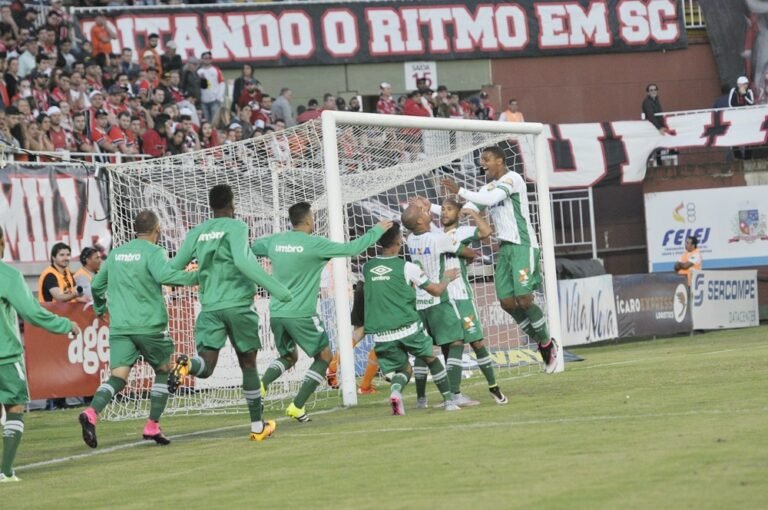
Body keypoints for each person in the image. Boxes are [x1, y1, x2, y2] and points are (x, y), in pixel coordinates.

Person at [167, 184, 292, 441]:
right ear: (232, 203)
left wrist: (196, 279)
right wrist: (278, 290)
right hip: (238, 305)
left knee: (206, 366)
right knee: (248, 365)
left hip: (210, 308)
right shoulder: (237, 227)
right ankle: (257, 427)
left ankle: (187, 364)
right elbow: (243, 261)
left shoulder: (197, 232)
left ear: (210, 205)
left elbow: (172, 269)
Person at [251, 202, 392, 422]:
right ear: (308, 220)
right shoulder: (315, 244)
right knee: (325, 356)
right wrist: (376, 231)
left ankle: (261, 386)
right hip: (301, 314)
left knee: (288, 356)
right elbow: (352, 249)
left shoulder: (275, 241)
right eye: (313, 217)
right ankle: (297, 406)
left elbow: (252, 248)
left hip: (276, 313)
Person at [78, 211, 198, 449]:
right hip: (149, 326)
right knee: (164, 371)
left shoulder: (116, 254)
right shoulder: (154, 252)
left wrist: (100, 307)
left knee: (117, 378)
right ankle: (152, 425)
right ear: (157, 229)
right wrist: (198, 277)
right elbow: (165, 276)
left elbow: (97, 285)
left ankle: (91, 413)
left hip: (121, 327)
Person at [441, 146, 558, 374]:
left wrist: (461, 190)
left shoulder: (512, 179)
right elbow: (463, 210)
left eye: (487, 159)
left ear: (500, 160)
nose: (482, 163)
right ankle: (542, 341)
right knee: (506, 303)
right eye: (481, 159)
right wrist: (434, 209)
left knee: (524, 298)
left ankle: (545, 344)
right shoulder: (486, 189)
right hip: (504, 249)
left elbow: (492, 198)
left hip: (522, 244)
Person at [1, 227, 81, 482]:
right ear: (2, 243)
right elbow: (32, 313)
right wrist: (65, 324)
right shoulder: (7, 275)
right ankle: (5, 471)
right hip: (5, 357)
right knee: (14, 407)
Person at [362, 222, 460, 415]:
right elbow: (436, 290)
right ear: (399, 241)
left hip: (382, 334)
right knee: (432, 359)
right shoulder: (407, 267)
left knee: (404, 370)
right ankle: (449, 401)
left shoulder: (367, 267)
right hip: (407, 327)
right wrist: (447, 277)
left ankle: (396, 392)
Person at [419, 196, 508, 404]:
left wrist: (474, 214)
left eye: (449, 209)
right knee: (449, 346)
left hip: (462, 297)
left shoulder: (463, 232)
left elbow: (486, 232)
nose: (444, 213)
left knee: (476, 341)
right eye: (443, 209)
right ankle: (454, 394)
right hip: (443, 299)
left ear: (458, 213)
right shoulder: (435, 236)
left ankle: (493, 387)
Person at [401, 204, 479, 408]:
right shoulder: (438, 239)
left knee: (424, 349)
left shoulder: (410, 239)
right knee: (456, 342)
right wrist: (469, 257)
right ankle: (454, 394)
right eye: (423, 212)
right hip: (439, 300)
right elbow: (466, 251)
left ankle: (421, 399)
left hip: (420, 302)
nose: (427, 212)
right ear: (419, 221)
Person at [326, 280, 380, 394]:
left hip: (361, 286)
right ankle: (365, 386)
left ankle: (333, 366)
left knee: (358, 333)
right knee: (385, 337)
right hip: (377, 289)